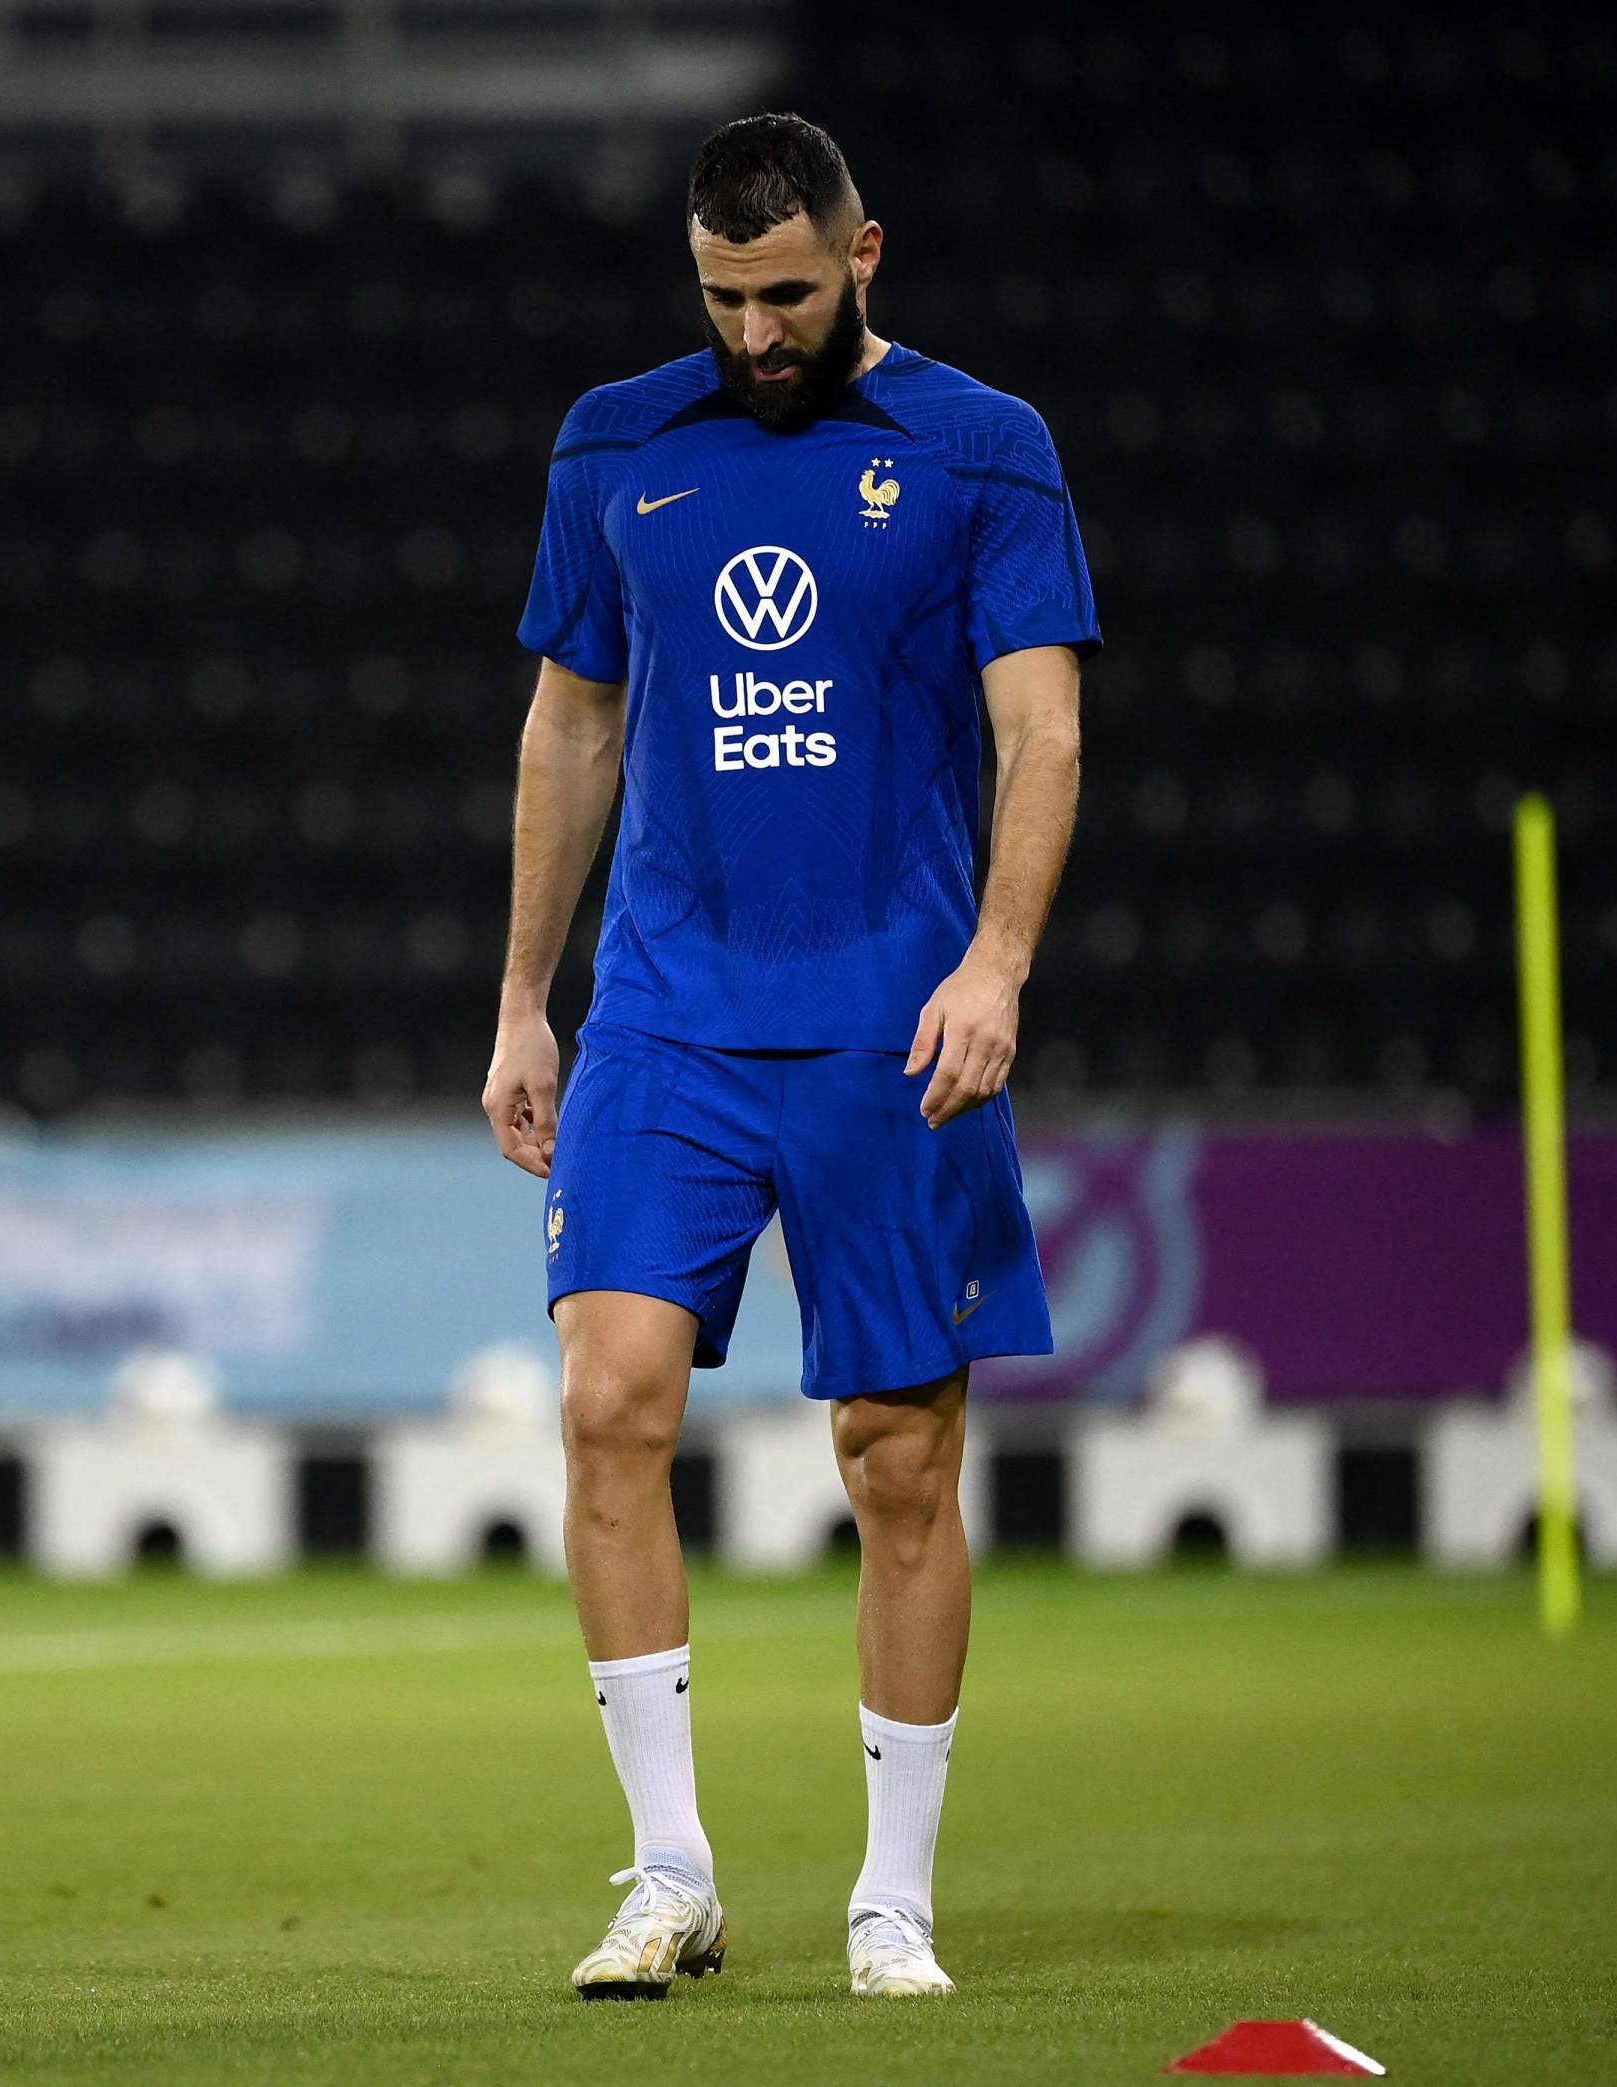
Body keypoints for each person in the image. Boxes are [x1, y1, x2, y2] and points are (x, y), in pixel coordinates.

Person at [482, 110, 1098, 2000]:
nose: (759, 331)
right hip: (667, 1010)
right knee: (608, 1406)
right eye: (726, 297)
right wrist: (525, 994)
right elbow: (570, 730)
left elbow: (1044, 733)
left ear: (867, 255)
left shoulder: (986, 450)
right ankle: (670, 1872)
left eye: (790, 294)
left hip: (891, 1023)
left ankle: (891, 1897)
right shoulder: (617, 443)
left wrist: (998, 961)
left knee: (897, 1459)